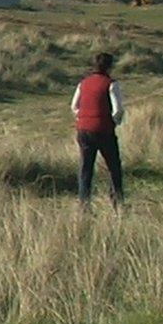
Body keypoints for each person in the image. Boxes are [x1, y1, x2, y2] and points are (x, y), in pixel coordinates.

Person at [71, 51, 125, 207]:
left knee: (85, 168)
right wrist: (115, 122)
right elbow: (118, 110)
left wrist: (82, 119)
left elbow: (74, 106)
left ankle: (84, 203)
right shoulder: (111, 84)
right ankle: (117, 201)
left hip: (83, 130)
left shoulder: (83, 83)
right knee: (114, 167)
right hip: (104, 130)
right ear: (109, 67)